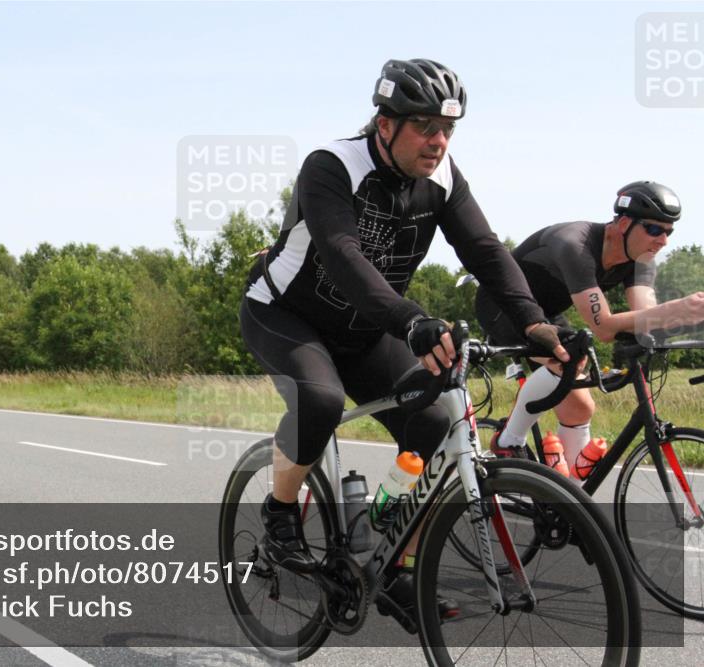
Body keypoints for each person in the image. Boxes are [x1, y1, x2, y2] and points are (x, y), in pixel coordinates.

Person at [239, 58, 567, 618]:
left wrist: (535, 324)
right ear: (385, 124)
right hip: (286, 315)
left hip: (368, 329)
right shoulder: (332, 166)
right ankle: (280, 512)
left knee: (436, 425)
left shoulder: (441, 179)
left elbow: (486, 252)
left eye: (448, 130)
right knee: (318, 400)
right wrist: (413, 321)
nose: (438, 142)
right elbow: (343, 256)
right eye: (425, 127)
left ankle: (393, 563)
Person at [476, 181, 704, 474]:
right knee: (565, 357)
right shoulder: (576, 245)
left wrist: (689, 319)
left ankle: (572, 504)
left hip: (547, 313)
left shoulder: (641, 260)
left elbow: (645, 317)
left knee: (581, 407)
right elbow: (605, 328)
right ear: (623, 223)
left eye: (669, 231)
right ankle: (508, 439)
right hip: (503, 307)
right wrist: (677, 310)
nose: (663, 240)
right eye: (654, 229)